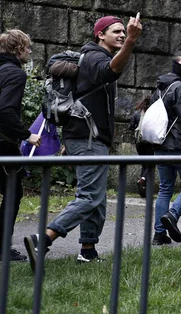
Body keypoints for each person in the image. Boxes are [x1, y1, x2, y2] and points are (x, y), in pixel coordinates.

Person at [25, 14, 142, 269]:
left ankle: (87, 251)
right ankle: (42, 239)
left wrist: (72, 139)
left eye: (124, 32)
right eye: (116, 31)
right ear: (100, 34)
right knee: (89, 196)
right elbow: (111, 72)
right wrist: (132, 41)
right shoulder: (94, 56)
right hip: (88, 139)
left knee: (97, 198)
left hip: (86, 138)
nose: (122, 34)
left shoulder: (93, 57)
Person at [151, 51, 181, 246]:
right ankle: (173, 214)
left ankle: (159, 234)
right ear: (175, 64)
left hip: (160, 145)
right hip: (180, 145)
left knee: (165, 189)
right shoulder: (180, 87)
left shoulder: (159, 87)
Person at [0, 30, 41, 262]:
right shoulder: (15, 74)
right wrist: (27, 135)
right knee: (13, 194)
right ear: (18, 50)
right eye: (28, 47)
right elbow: (5, 110)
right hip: (4, 145)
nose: (30, 51)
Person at [129, 95, 154, 198]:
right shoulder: (153, 113)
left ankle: (143, 191)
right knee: (150, 165)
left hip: (139, 143)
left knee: (144, 165)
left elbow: (131, 126)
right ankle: (143, 179)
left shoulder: (137, 113)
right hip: (150, 142)